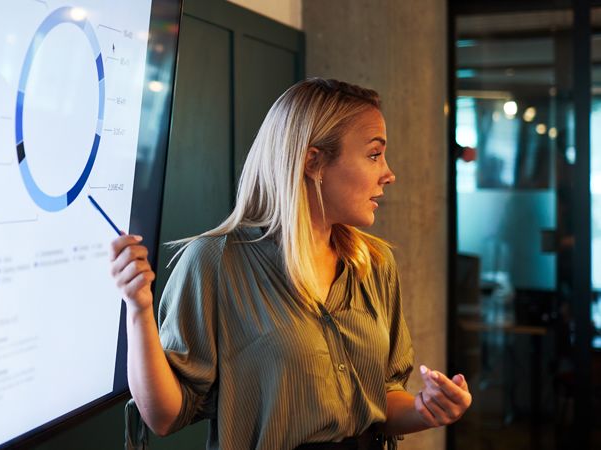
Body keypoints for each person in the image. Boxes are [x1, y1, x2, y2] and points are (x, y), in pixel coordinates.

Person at [110, 78, 472, 450]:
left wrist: (426, 408)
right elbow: (164, 416)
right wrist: (139, 309)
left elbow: (382, 398)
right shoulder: (215, 261)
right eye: (374, 155)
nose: (389, 173)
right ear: (313, 161)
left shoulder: (374, 263)